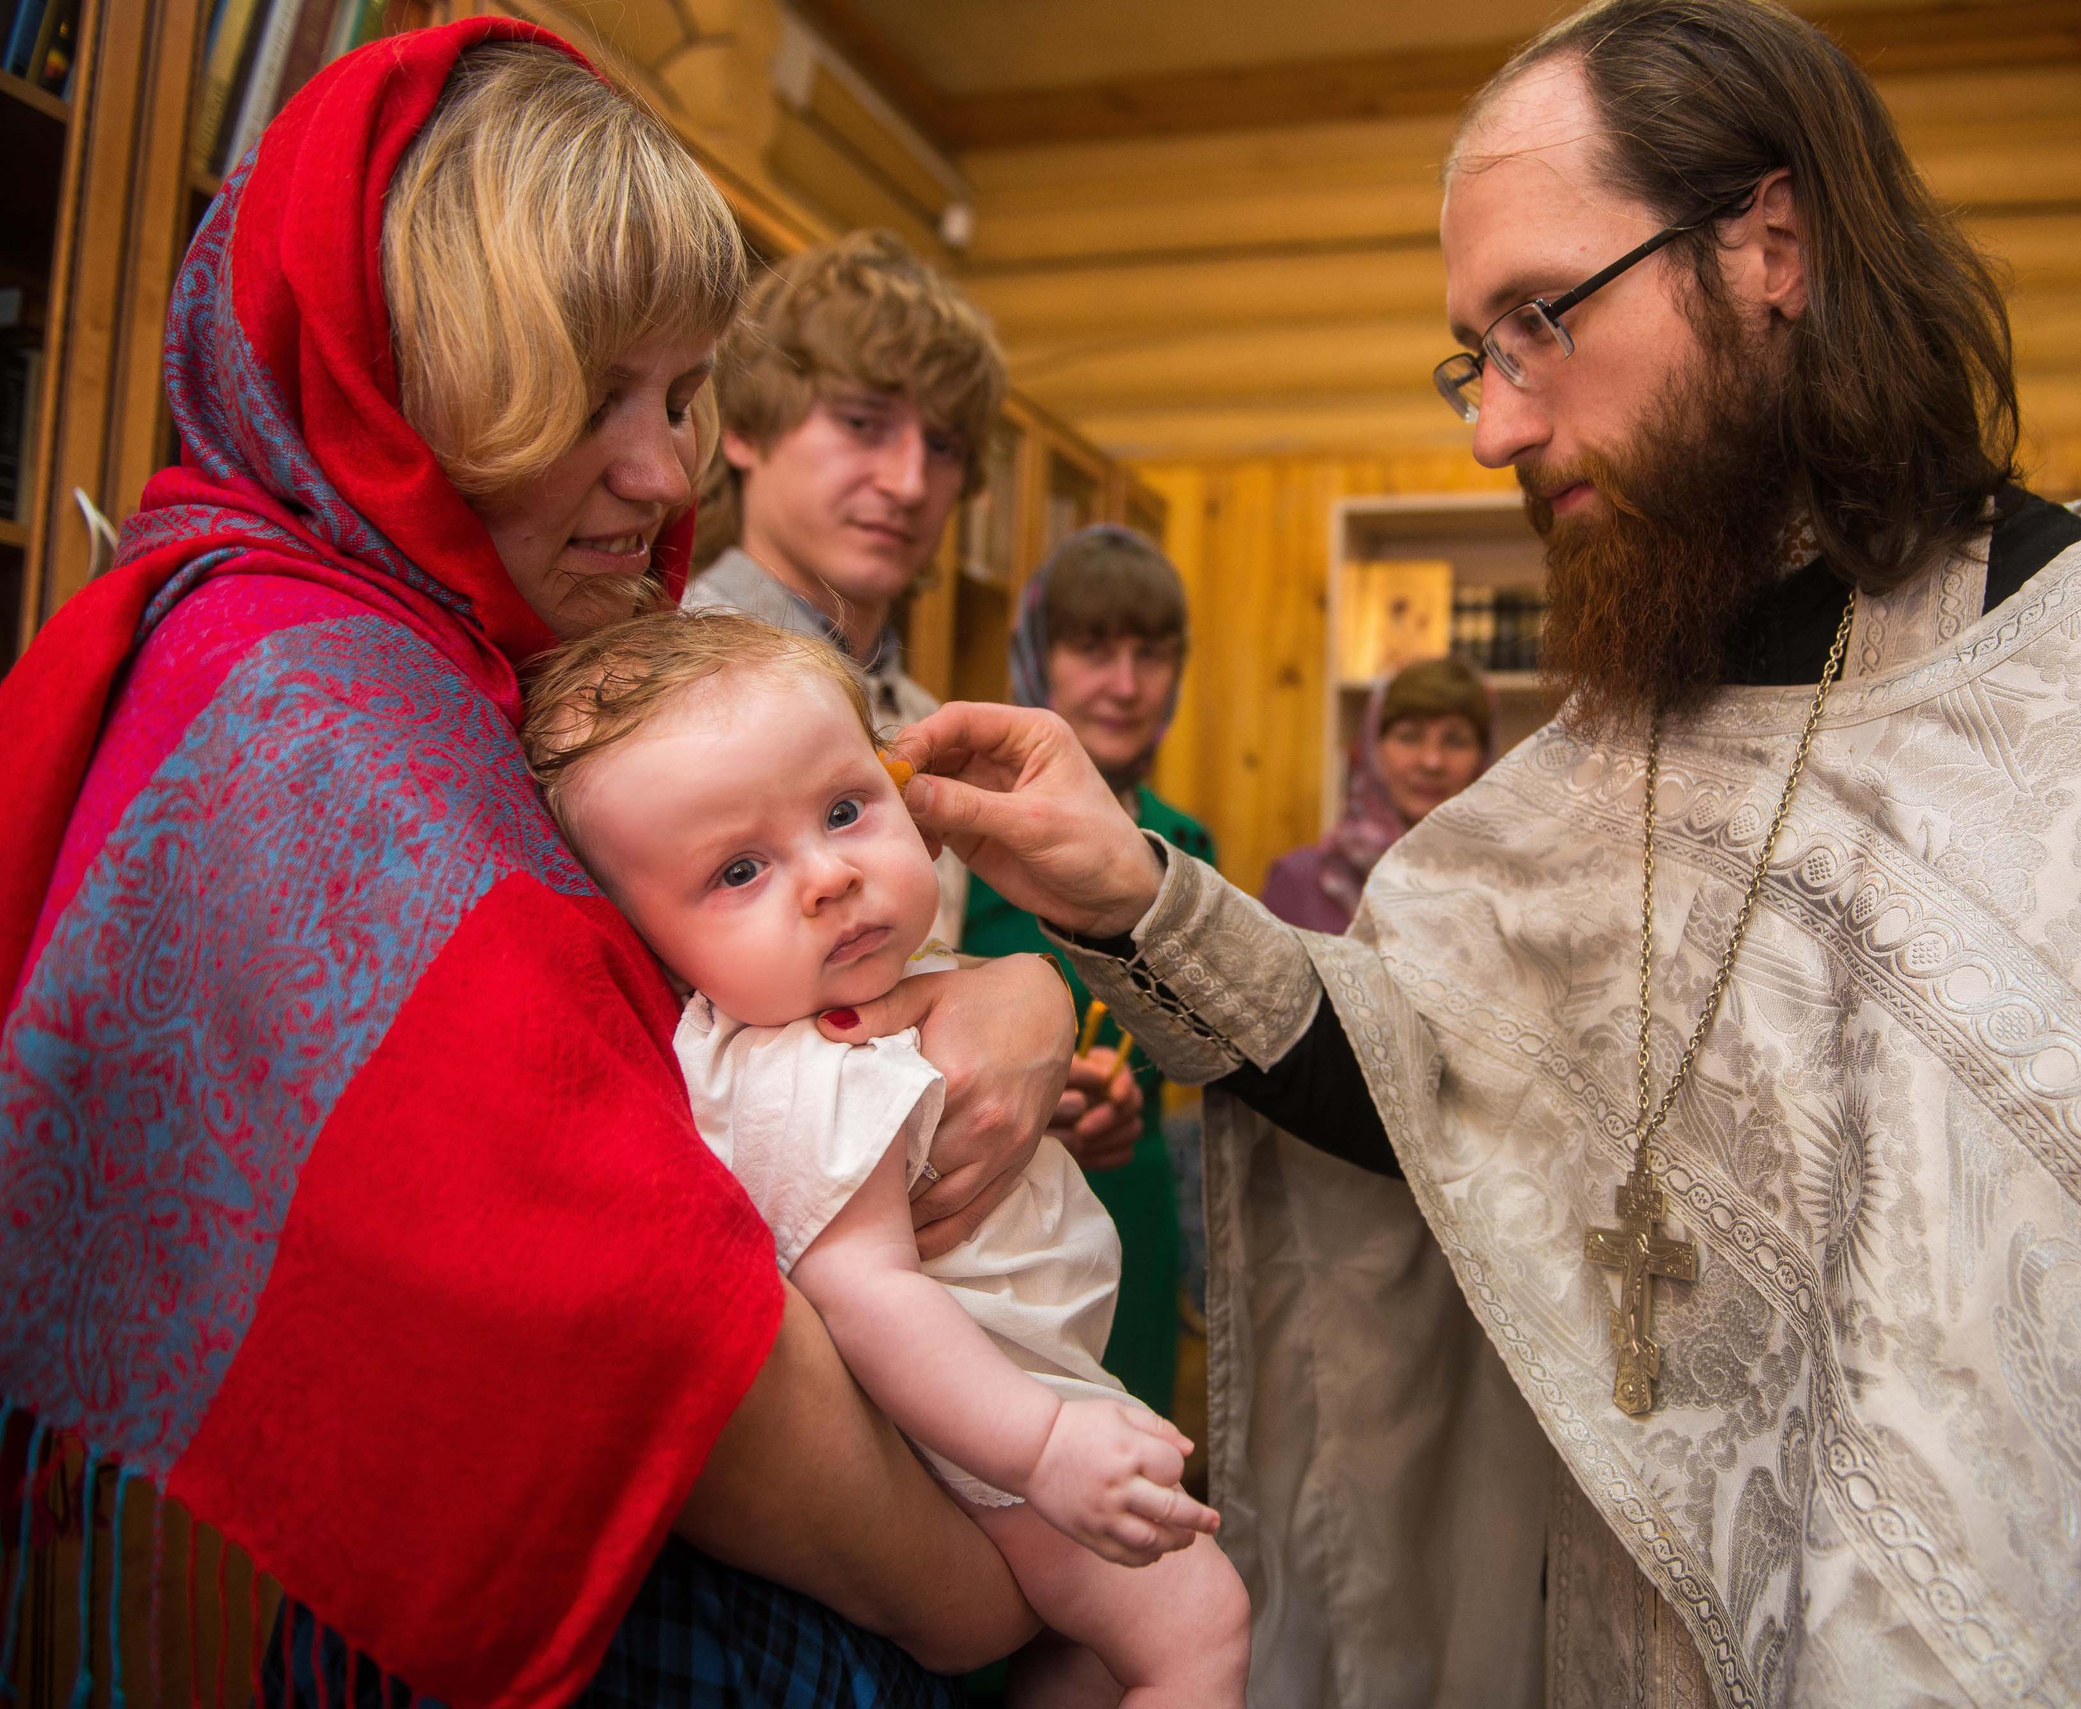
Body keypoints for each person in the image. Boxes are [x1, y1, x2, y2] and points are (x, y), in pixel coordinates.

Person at [879, 1, 2081, 1701]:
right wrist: (1125, 886)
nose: (1491, 425)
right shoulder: (1623, 734)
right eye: (1469, 353)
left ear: (1768, 246)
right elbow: (1433, 1090)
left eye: (1538, 322)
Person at [0, 25, 1071, 1704]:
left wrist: (1011, 990)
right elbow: (649, 1331)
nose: (657, 476)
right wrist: (994, 1608)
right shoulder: (331, 706)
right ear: (400, 370)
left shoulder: (455, 660)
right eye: (587, 398)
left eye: (679, 394)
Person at [520, 610, 1250, 1707]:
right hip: (974, 1426)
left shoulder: (831, 1012)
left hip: (988, 1402)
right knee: (1200, 1623)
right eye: (737, 870)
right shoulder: (810, 1068)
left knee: (1088, 1655)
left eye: (845, 808)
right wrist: (1044, 1446)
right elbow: (868, 1292)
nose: (826, 876)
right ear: (644, 939)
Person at [685, 227, 1007, 946]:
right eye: (864, 424)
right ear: (742, 429)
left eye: (945, 446)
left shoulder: (926, 721)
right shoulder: (664, 685)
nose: (909, 482)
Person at [962, 526, 1213, 1418]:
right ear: (1037, 655)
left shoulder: (1186, 846)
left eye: (1151, 654)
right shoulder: (972, 833)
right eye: (1092, 648)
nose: (1125, 683)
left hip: (1130, 1202)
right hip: (986, 1215)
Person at [1263, 656, 1491, 934]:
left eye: (1455, 741)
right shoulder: (1300, 882)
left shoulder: (1511, 887)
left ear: (1483, 760)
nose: (1432, 761)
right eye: (1409, 737)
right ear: (1372, 750)